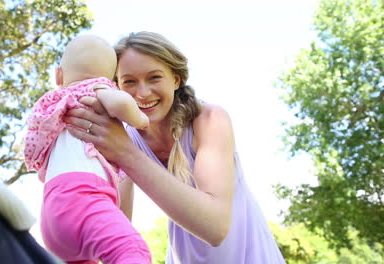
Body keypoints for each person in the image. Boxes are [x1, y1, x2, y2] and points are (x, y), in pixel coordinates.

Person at [65, 31, 286, 264]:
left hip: (250, 257)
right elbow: (117, 225)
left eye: (154, 77)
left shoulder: (210, 120)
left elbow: (215, 227)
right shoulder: (124, 137)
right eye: (129, 81)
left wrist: (124, 152)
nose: (142, 93)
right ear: (116, 87)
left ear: (176, 80)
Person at [23, 35, 151, 264]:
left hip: (52, 217)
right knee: (131, 251)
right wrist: (140, 120)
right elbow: (122, 104)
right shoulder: (96, 90)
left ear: (58, 75)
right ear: (110, 79)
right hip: (86, 198)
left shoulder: (52, 107)